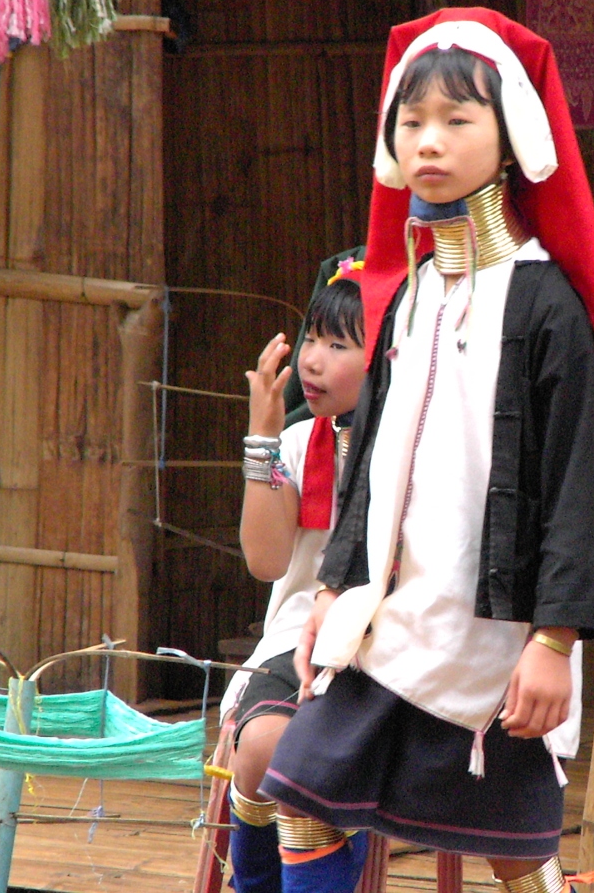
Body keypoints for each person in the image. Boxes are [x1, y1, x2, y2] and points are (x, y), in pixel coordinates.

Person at [259, 7, 594, 893]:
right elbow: (372, 460)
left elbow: (579, 483)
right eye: (413, 121)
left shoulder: (548, 307)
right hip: (385, 618)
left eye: (458, 121)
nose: (430, 142)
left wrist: (554, 640)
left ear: (513, 139)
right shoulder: (412, 293)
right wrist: (332, 590)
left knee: (515, 852)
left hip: (494, 635)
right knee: (302, 794)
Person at [221, 261, 369, 893]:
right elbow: (267, 561)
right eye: (312, 338)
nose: (312, 360)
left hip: (395, 647)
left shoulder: (427, 447)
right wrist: (262, 438)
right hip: (299, 642)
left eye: (339, 345)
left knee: (310, 768)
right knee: (261, 749)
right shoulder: (301, 442)